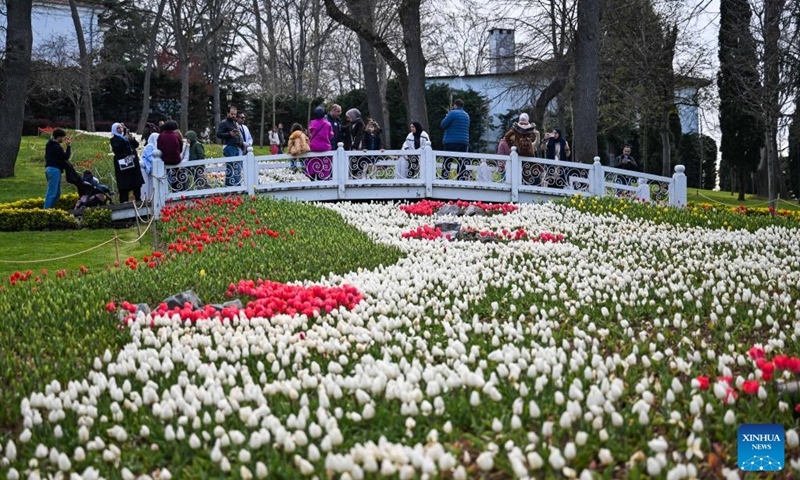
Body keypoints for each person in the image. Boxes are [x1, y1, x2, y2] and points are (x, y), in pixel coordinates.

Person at [109, 123, 144, 203]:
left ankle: (138, 198)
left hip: (133, 162)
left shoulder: (127, 136)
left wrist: (132, 139)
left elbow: (136, 145)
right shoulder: (114, 139)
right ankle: (124, 200)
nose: (120, 129)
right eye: (118, 128)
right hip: (122, 163)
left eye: (121, 128)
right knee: (124, 183)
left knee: (136, 181)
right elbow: (117, 149)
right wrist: (124, 140)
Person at [505, 114, 541, 185]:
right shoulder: (530, 129)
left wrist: (511, 146)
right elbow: (507, 137)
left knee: (525, 173)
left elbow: (507, 137)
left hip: (523, 154)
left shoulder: (517, 129)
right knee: (523, 173)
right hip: (524, 154)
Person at [440, 99, 471, 180]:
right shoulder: (466, 115)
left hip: (451, 140)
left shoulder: (452, 113)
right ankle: (461, 178)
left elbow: (443, 124)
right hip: (464, 141)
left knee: (447, 160)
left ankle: (444, 177)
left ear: (455, 105)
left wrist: (447, 116)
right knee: (461, 161)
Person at [44, 128, 72, 209]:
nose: (63, 139)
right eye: (63, 137)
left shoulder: (49, 145)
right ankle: (46, 211)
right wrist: (68, 147)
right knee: (52, 192)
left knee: (57, 193)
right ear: (59, 137)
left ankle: (51, 208)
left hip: (49, 169)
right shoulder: (56, 147)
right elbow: (65, 157)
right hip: (54, 170)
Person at [216, 105, 244, 186]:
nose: (233, 116)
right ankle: (229, 185)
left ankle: (237, 184)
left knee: (237, 167)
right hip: (229, 146)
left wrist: (242, 146)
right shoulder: (224, 123)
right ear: (228, 113)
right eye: (232, 114)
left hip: (237, 147)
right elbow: (218, 134)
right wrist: (229, 134)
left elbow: (239, 136)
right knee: (230, 167)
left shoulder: (235, 123)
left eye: (235, 114)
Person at [307, 106, 334, 180]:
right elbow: (331, 136)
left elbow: (310, 134)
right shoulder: (328, 124)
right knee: (325, 163)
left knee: (313, 162)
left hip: (314, 147)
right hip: (325, 147)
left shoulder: (312, 123)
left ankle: (312, 176)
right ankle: (323, 177)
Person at [157, 120, 184, 192]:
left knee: (166, 176)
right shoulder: (176, 136)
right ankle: (178, 190)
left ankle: (166, 191)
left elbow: (159, 147)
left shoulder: (161, 135)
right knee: (177, 176)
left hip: (165, 160)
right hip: (176, 160)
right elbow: (180, 148)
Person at [346, 109, 366, 178]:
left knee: (359, 161)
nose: (348, 119)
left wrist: (355, 146)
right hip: (353, 146)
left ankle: (359, 176)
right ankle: (354, 176)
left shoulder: (360, 123)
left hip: (359, 146)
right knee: (353, 161)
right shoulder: (351, 124)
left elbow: (359, 135)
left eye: (349, 117)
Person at [140, 132, 159, 201]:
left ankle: (151, 196)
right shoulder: (150, 146)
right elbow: (148, 156)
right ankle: (145, 197)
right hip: (147, 166)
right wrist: (156, 161)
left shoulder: (155, 146)